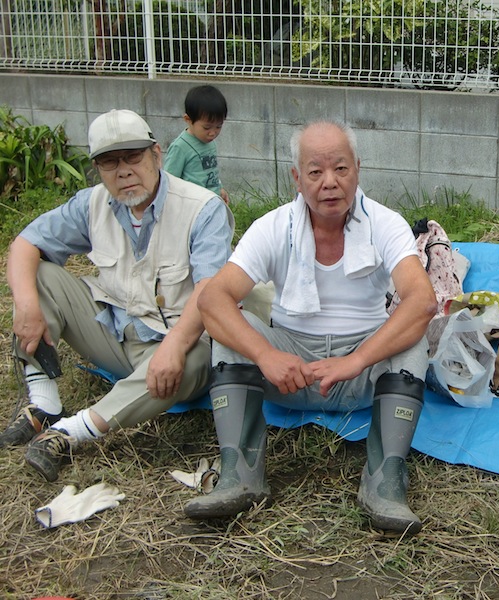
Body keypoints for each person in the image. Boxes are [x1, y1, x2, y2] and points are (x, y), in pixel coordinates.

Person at [182, 120, 437, 535]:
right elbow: (213, 299)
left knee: (412, 340)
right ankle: (239, 475)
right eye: (315, 171)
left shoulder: (385, 223)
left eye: (341, 168)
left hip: (362, 373)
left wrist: (356, 360)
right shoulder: (273, 227)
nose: (329, 182)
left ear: (358, 169)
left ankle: (385, 483)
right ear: (297, 179)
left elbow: (422, 301)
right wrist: (266, 355)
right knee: (234, 330)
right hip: (289, 371)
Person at [1, 109, 234, 482]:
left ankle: (71, 432)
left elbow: (210, 291)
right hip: (112, 330)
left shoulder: (202, 208)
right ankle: (43, 404)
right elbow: (26, 243)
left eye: (133, 157)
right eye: (110, 162)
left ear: (156, 154)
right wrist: (27, 306)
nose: (124, 171)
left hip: (176, 341)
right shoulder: (91, 203)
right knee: (38, 275)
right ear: (97, 169)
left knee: (194, 361)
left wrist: (175, 345)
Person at [164, 85, 230, 204]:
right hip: (192, 205)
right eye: (207, 127)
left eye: (218, 126)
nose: (213, 133)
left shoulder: (209, 142)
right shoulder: (180, 147)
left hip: (212, 201)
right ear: (188, 119)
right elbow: (169, 181)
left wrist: (219, 189)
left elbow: (211, 172)